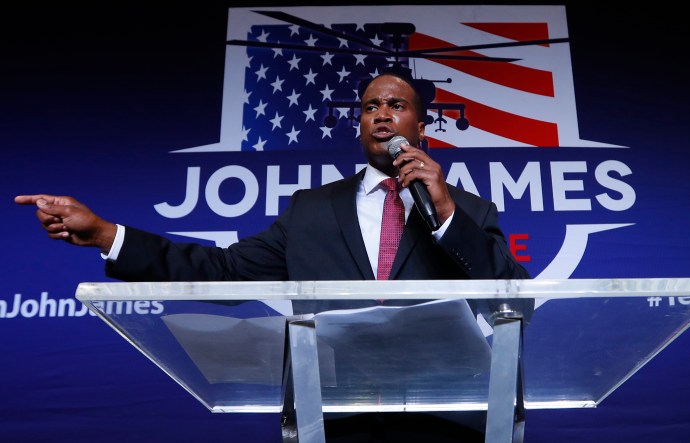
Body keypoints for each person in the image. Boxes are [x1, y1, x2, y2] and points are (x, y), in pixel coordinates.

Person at [16, 70, 531, 442]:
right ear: (359, 126)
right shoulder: (311, 211)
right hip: (330, 417)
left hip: (444, 418)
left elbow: (512, 300)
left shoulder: (467, 209)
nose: (381, 114)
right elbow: (222, 272)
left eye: (396, 105)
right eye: (371, 106)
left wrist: (442, 212)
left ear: (421, 126)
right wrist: (108, 234)